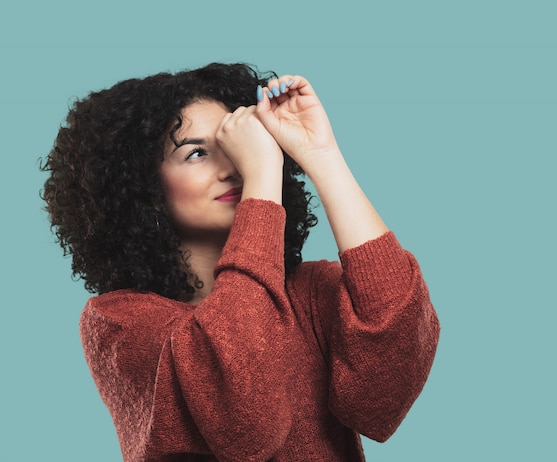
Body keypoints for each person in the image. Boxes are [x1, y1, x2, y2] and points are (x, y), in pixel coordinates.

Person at [41, 62, 440, 462]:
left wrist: (321, 155)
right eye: (196, 153)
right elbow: (247, 425)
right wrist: (262, 174)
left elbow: (385, 391)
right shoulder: (119, 321)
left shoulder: (310, 291)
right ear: (142, 188)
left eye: (237, 148)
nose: (233, 168)